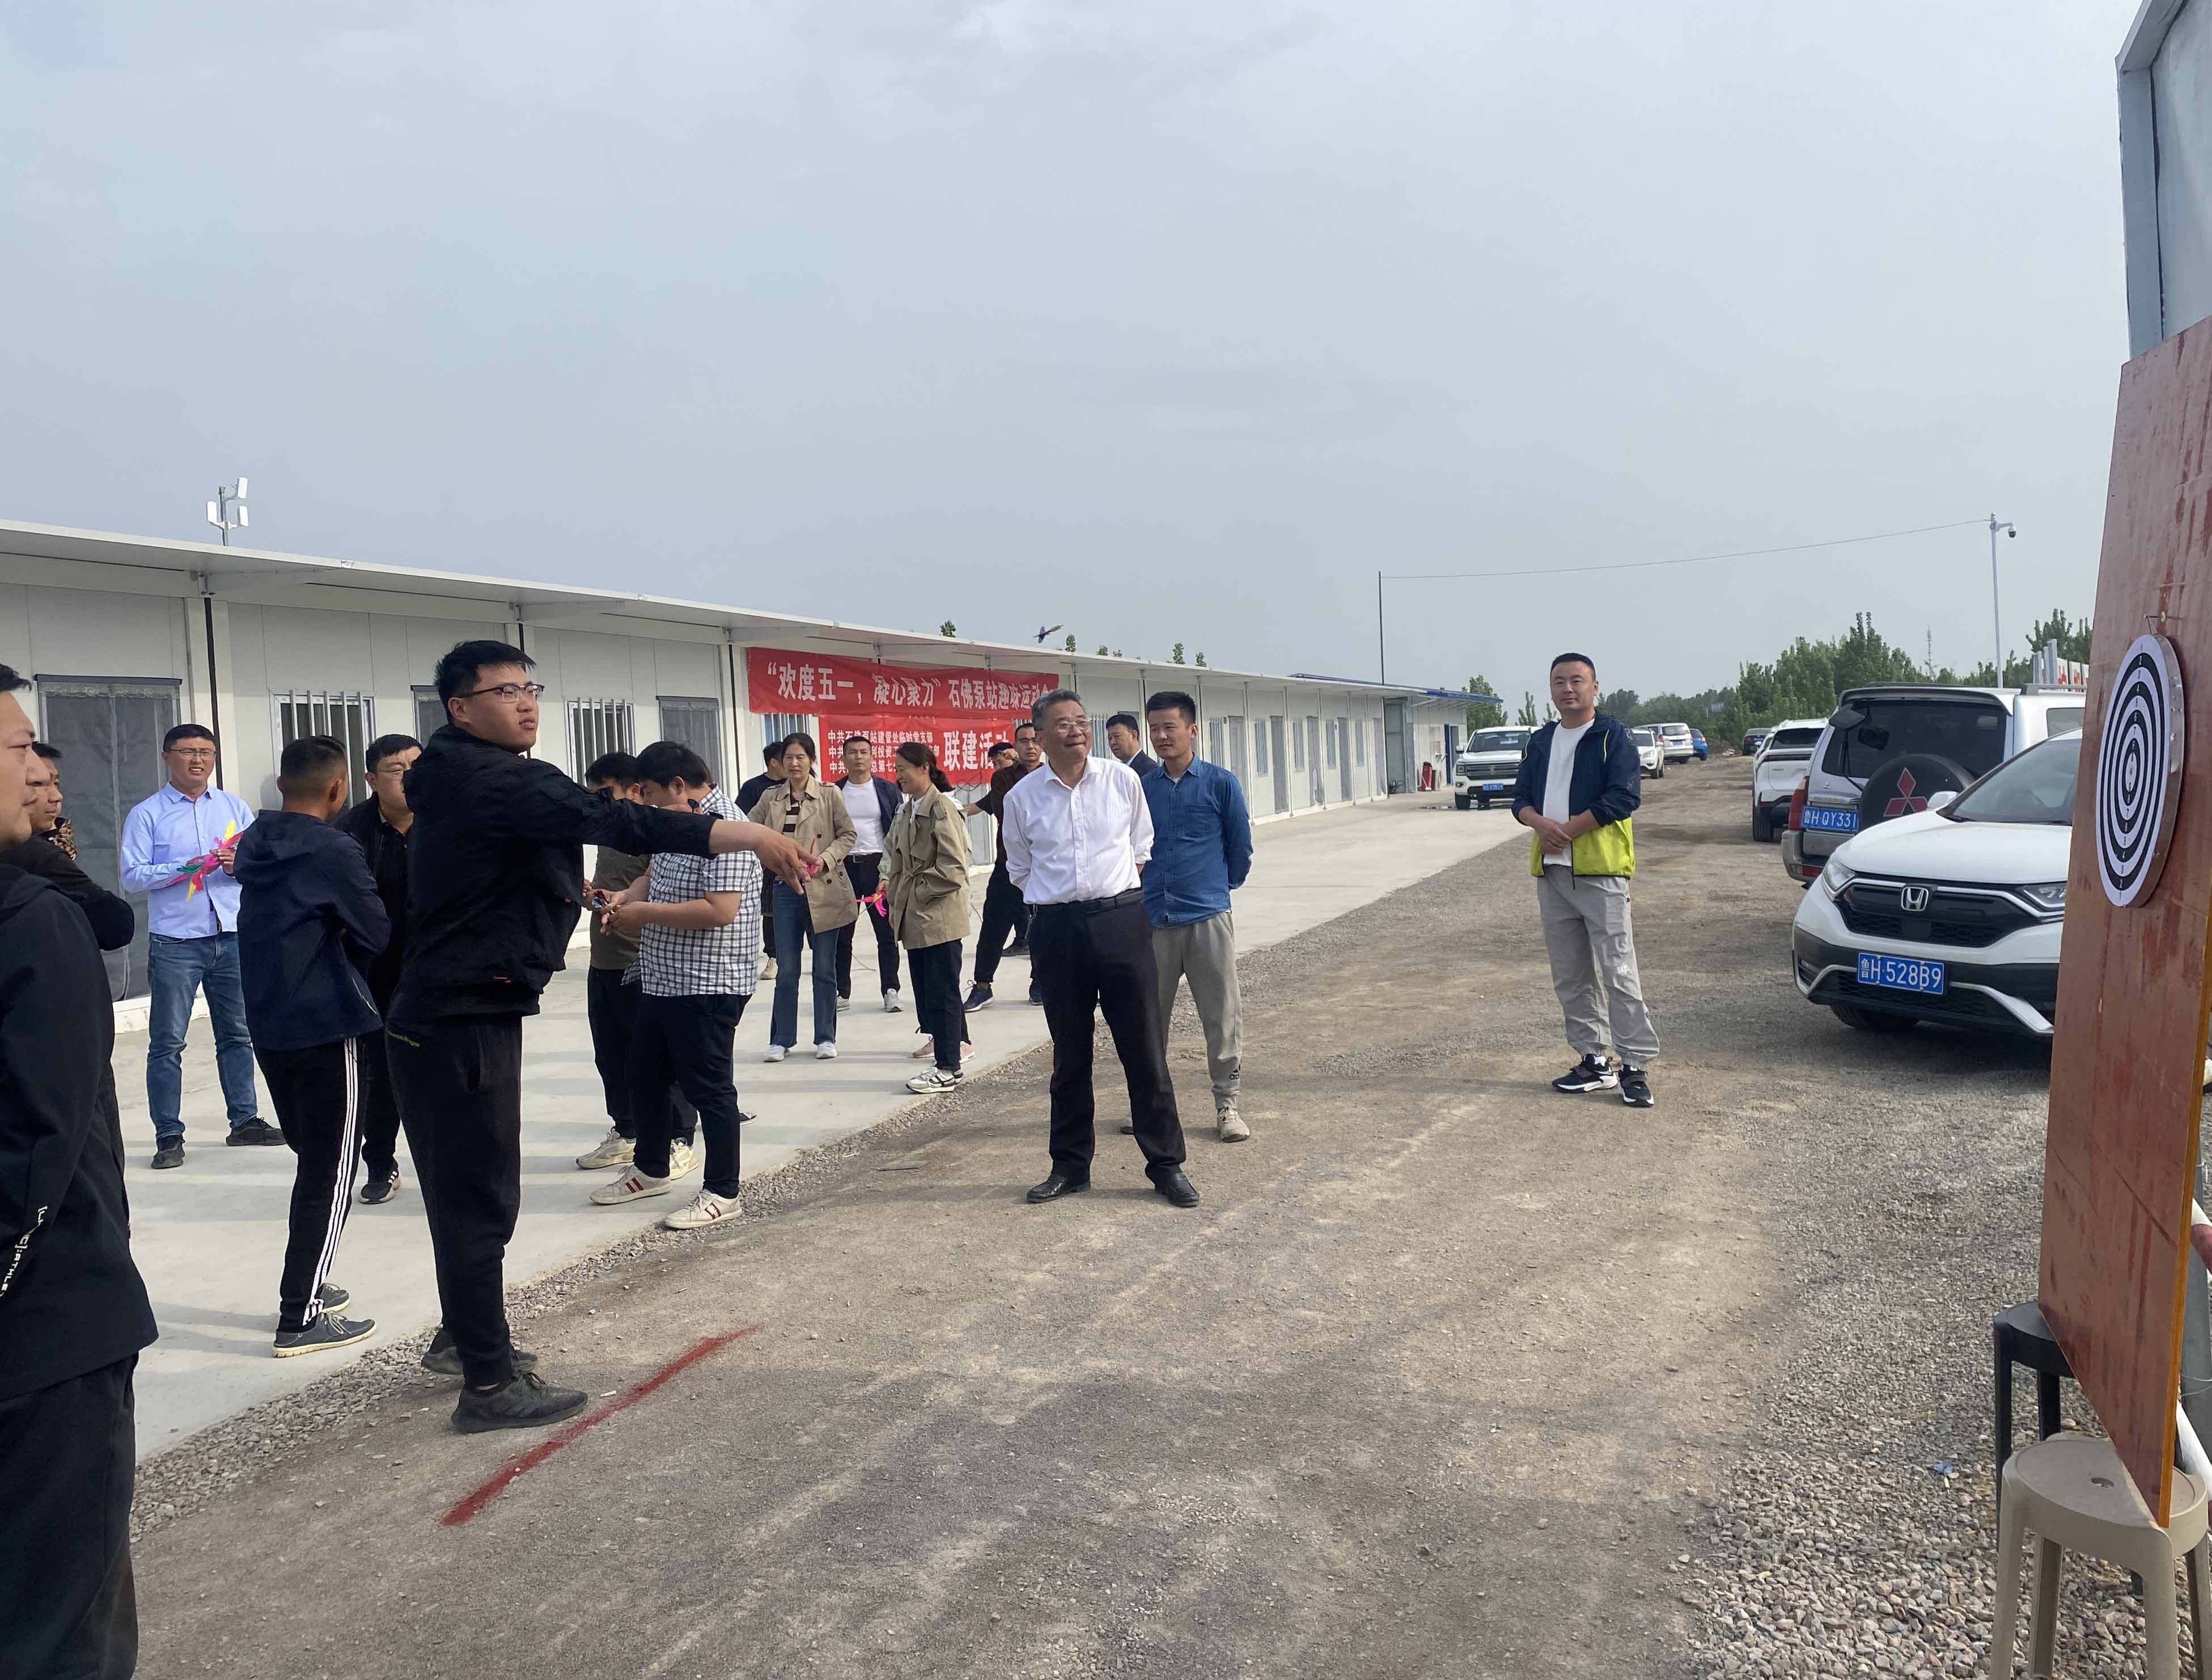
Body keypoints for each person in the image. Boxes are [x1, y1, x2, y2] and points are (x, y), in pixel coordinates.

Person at [388, 640, 814, 1432]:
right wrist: (751, 836)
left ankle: (468, 1340)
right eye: (504, 691)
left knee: (466, 1191)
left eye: (530, 687)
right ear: (459, 708)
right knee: (479, 1198)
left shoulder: (447, 771)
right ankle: (488, 1385)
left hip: (451, 1009)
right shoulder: (498, 777)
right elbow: (620, 819)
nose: (525, 701)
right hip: (460, 1015)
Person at [0, 664, 156, 1680]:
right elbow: (32, 1156)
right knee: (55, 1631)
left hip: (51, 1324)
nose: (39, 775)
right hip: (43, 1332)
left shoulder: (41, 888)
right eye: (21, 750)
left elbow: (113, 920)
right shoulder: (25, 916)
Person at [1003, 690, 1197, 1209]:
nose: (1076, 731)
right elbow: (1019, 868)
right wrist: (1061, 902)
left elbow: (1141, 847)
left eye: (1081, 721)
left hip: (1121, 923)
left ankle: (1166, 1165)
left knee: (1144, 1049)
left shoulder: (1122, 780)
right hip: (1057, 931)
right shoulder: (1021, 797)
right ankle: (1070, 1167)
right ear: (1040, 736)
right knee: (1069, 1055)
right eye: (1063, 724)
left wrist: (1109, 899)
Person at [232, 735, 389, 1357]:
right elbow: (376, 930)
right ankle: (301, 1313)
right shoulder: (333, 847)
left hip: (271, 1021)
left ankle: (310, 1282)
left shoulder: (255, 839)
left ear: (280, 786)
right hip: (326, 1021)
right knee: (333, 1167)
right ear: (338, 788)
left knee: (315, 1158)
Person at [589, 741, 759, 1229]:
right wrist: (626, 897)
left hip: (708, 980)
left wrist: (643, 915)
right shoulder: (676, 821)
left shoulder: (728, 828)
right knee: (643, 1074)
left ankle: (723, 1191)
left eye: (650, 794)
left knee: (708, 1088)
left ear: (679, 786)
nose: (646, 805)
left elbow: (719, 910)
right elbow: (653, 872)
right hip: (662, 975)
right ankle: (651, 1168)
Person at [120, 722, 276, 1166]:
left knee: (238, 1034)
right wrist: (185, 868)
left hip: (231, 935)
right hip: (177, 941)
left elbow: (260, 863)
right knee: (168, 1042)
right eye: (188, 751)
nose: (198, 760)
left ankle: (244, 1121)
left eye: (206, 752)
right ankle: (168, 1134)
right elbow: (132, 876)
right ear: (167, 757)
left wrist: (236, 864)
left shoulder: (233, 807)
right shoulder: (147, 814)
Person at [1510, 652, 1658, 1109]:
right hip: (1552, 873)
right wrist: (1540, 824)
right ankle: (1594, 1061)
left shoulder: (1613, 736)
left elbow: (1623, 797)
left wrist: (1568, 830)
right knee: (1571, 975)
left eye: (1577, 680)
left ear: (1595, 687)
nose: (1568, 689)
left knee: (1619, 971)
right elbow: (1520, 799)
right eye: (1559, 682)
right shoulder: (1541, 741)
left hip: (1601, 871)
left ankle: (1634, 1065)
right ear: (1551, 690)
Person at [573, 752, 700, 1177]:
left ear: (634, 792)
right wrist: (592, 897)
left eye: (605, 794)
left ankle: (679, 1139)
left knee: (659, 1059)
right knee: (611, 1055)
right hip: (604, 958)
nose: (598, 803)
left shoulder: (655, 832)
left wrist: (624, 904)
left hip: (643, 962)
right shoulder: (608, 834)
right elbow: (610, 894)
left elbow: (663, 895)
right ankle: (627, 1130)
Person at [1139, 690, 1254, 1144]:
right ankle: (1151, 1107)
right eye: (1154, 729)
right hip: (1153, 920)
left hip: (1207, 917)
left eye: (1169, 727)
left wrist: (1217, 889)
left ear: (1192, 729)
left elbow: (1240, 847)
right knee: (1148, 1020)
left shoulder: (1220, 783)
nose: (1161, 736)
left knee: (1221, 1015)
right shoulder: (1142, 788)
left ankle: (1227, 1105)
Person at [338, 732, 421, 1205]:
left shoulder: (448, 822)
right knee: (380, 1071)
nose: (409, 777)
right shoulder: (351, 831)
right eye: (396, 769)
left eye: (416, 767)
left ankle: (444, 1165)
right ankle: (380, 1161)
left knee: (441, 1070)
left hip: (436, 966)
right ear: (371, 779)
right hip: (375, 970)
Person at [751, 732, 857, 1062]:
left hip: (824, 888)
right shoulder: (770, 797)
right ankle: (781, 1039)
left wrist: (825, 858)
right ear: (780, 763)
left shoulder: (829, 794)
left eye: (801, 757)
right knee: (787, 970)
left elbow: (848, 834)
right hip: (786, 890)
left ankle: (825, 1037)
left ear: (812, 760)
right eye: (789, 758)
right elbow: (750, 831)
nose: (794, 764)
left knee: (824, 968)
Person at [885, 742, 973, 1094]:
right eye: (896, 769)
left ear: (924, 768)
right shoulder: (909, 809)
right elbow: (897, 861)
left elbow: (954, 867)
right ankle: (942, 1059)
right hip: (916, 917)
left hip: (938, 917)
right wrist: (897, 900)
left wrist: (917, 893)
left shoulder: (942, 808)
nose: (899, 776)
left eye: (903, 769)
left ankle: (949, 1067)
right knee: (925, 992)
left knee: (943, 992)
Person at [966, 720, 1040, 1009]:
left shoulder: (1054, 774)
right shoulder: (1003, 778)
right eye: (1024, 741)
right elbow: (1007, 813)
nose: (1030, 746)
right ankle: (982, 986)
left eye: (1035, 740)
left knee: (1044, 927)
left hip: (1045, 865)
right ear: (1016, 747)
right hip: (1008, 862)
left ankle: (1040, 983)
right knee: (993, 926)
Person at [834, 734, 904, 1015]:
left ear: (873, 757)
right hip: (845, 867)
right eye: (852, 752)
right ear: (843, 758)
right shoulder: (835, 791)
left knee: (886, 933)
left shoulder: (887, 790)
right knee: (842, 934)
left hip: (878, 867)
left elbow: (897, 832)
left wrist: (891, 870)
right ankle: (841, 992)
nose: (858, 757)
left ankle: (891, 990)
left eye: (864, 752)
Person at [736, 740, 788, 977]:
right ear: (774, 762)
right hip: (767, 858)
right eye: (787, 759)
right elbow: (742, 820)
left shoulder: (798, 785)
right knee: (770, 909)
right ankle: (773, 957)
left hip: (800, 855)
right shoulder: (755, 788)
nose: (793, 764)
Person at [1105, 713, 1160, 778]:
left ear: (1134, 735)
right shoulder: (1118, 770)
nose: (1112, 742)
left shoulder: (1150, 770)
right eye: (1110, 738)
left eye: (1117, 736)